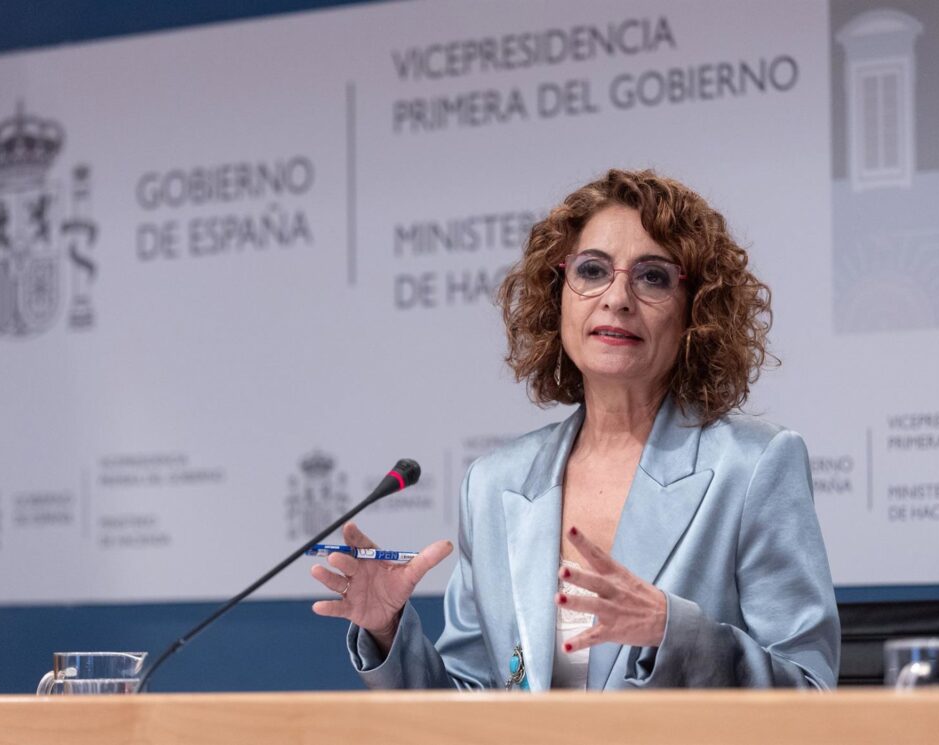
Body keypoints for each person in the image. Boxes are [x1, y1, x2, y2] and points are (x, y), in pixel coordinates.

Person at [310, 169, 840, 690]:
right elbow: (477, 708)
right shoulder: (495, 484)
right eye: (592, 270)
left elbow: (809, 690)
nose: (617, 298)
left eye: (653, 277)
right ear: (557, 295)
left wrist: (671, 632)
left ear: (695, 311)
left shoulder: (753, 465)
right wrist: (387, 632)